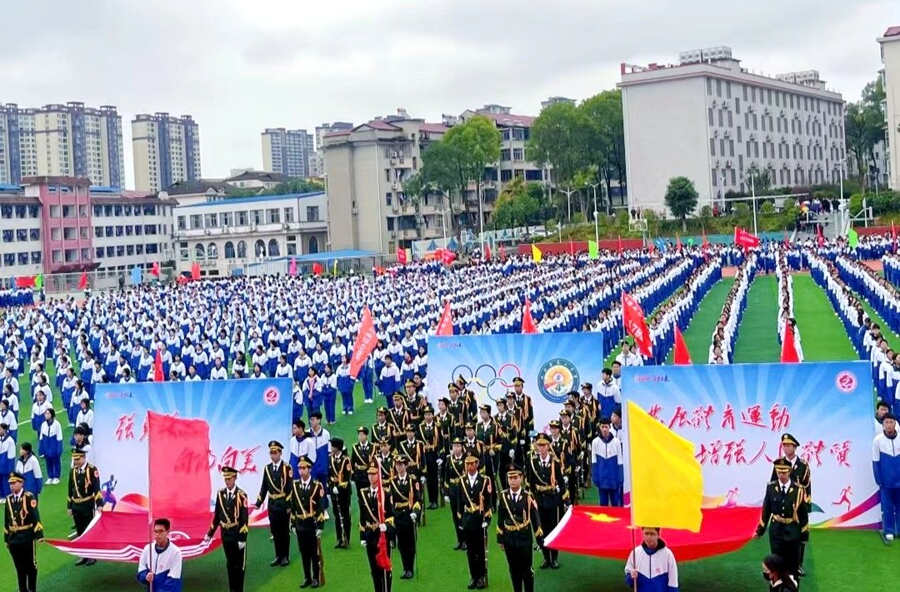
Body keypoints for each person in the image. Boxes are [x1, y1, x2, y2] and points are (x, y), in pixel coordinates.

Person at [754, 458, 809, 578]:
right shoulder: (771, 487)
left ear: (789, 472)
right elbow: (766, 509)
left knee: (793, 564)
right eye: (779, 472)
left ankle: (792, 586)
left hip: (793, 530)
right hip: (776, 531)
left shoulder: (798, 489)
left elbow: (803, 514)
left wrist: (804, 535)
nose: (781, 475)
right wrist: (760, 530)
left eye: (784, 472)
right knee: (777, 563)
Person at [769, 433, 811, 574]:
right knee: (779, 536)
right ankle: (779, 564)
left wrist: (807, 504)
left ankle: (797, 564)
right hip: (782, 503)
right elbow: (773, 483)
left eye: (788, 446)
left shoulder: (803, 465)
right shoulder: (779, 463)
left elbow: (807, 485)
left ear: (795, 447)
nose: (786, 448)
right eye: (784, 446)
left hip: (797, 506)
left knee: (799, 535)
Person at [496, 464, 542, 592]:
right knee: (514, 570)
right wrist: (500, 538)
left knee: (527, 570)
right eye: (510, 478)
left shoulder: (528, 496)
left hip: (524, 538)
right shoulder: (503, 496)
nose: (512, 480)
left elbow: (535, 518)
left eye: (515, 477)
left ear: (521, 479)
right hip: (509, 539)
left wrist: (539, 539)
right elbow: (501, 518)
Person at [205, 466, 249, 592]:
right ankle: (232, 589)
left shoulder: (241, 496)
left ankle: (239, 589)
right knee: (230, 563)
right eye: (225, 479)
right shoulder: (220, 494)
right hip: (225, 534)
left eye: (229, 478)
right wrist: (210, 533)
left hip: (237, 533)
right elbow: (217, 515)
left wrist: (242, 538)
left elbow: (244, 519)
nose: (227, 481)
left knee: (239, 564)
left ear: (235, 478)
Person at [527, 433, 567, 569]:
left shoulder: (554, 463)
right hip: (539, 500)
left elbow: (561, 482)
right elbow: (530, 482)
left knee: (553, 528)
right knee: (541, 529)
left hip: (552, 499)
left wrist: (565, 499)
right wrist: (531, 499)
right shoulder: (532, 462)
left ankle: (554, 557)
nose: (541, 448)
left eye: (544, 445)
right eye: (539, 445)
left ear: (548, 447)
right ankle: (545, 557)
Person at [290, 455, 325, 588]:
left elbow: (320, 506)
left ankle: (316, 576)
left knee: (314, 553)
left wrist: (320, 525)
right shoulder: (295, 485)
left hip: (311, 524)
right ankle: (307, 576)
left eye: (304, 468)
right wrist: (293, 524)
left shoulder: (317, 486)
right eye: (299, 468)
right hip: (300, 525)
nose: (301, 471)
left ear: (309, 469)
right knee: (303, 552)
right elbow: (293, 506)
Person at [5, 472, 43, 592]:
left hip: (26, 536)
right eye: (10, 483)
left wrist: (39, 535)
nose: (11, 486)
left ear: (21, 483)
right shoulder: (9, 499)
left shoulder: (28, 497)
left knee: (31, 565)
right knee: (19, 567)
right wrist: (6, 538)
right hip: (14, 539)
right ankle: (23, 589)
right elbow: (6, 521)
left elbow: (35, 516)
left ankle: (32, 588)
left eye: (14, 483)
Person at [256, 440, 292, 567]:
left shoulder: (286, 468)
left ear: (280, 453)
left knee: (284, 531)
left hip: (282, 503)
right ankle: (278, 555)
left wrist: (288, 505)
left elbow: (289, 488)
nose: (273, 455)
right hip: (272, 504)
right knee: (275, 531)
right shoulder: (267, 468)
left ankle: (285, 556)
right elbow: (264, 486)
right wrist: (259, 502)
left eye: (275, 453)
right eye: (271, 453)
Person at [359, 462, 394, 592]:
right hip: (369, 535)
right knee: (374, 569)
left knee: (384, 568)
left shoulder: (385, 493)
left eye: (374, 474)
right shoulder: (363, 493)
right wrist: (362, 534)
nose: (371, 477)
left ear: (378, 475)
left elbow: (391, 515)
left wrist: (387, 526)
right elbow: (362, 516)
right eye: (369, 474)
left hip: (382, 537)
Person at [461, 454, 492, 590]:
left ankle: (481, 576)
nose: (470, 466)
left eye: (472, 464)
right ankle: (473, 576)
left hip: (480, 518)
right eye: (467, 464)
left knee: (480, 550)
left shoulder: (484, 480)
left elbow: (489, 499)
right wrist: (460, 519)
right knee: (470, 551)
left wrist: (488, 518)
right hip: (468, 519)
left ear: (477, 465)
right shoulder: (462, 480)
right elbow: (459, 501)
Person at [68, 448, 103, 565]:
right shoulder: (73, 471)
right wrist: (69, 506)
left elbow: (96, 488)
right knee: (80, 531)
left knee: (88, 530)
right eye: (74, 459)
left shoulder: (92, 470)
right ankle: (83, 555)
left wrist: (99, 504)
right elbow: (70, 489)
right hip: (76, 505)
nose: (76, 461)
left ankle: (92, 555)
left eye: (78, 459)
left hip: (87, 504)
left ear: (83, 458)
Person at [389, 454, 422, 579]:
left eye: (401, 465)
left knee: (410, 543)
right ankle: (405, 568)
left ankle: (410, 567)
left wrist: (415, 511)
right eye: (397, 465)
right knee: (402, 544)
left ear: (406, 466)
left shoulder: (413, 480)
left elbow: (418, 499)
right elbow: (391, 500)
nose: (398, 467)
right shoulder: (393, 482)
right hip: (398, 516)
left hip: (409, 514)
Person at [624, 527, 679, 592]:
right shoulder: (635, 553)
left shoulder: (667, 554)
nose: (649, 537)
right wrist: (631, 577)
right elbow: (629, 582)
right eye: (646, 534)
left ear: (658, 535)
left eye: (652, 534)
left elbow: (673, 582)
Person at [873, 412, 900, 541]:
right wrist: (879, 480)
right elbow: (875, 461)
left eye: (891, 422)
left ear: (895, 424)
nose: (889, 425)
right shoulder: (877, 441)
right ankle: (889, 530)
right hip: (886, 481)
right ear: (883, 425)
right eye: (886, 423)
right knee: (888, 507)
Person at [137, 517, 183, 592]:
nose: (157, 534)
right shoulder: (148, 549)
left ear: (168, 532)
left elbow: (173, 581)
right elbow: (141, 570)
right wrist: (145, 576)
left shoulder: (175, 552)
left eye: (161, 531)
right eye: (155, 531)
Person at [591, 417, 624, 507]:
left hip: (614, 480)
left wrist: (620, 478)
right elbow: (594, 461)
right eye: (602, 427)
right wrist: (595, 477)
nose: (604, 429)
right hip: (602, 480)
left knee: (615, 505)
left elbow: (620, 461)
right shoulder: (595, 442)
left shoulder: (616, 442)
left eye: (606, 427)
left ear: (609, 427)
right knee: (603, 505)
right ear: (600, 428)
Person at [328, 437, 353, 548]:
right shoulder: (330, 458)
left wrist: (339, 487)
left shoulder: (345, 460)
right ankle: (339, 538)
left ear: (337, 447)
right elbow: (329, 474)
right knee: (337, 515)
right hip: (334, 491)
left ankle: (346, 537)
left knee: (345, 515)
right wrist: (331, 486)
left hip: (344, 492)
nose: (331, 448)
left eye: (332, 446)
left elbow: (347, 478)